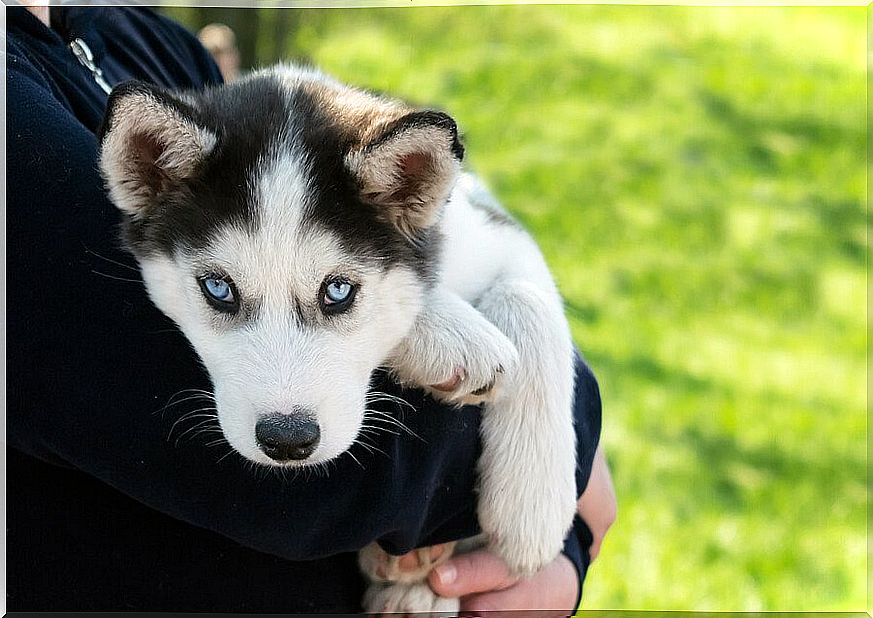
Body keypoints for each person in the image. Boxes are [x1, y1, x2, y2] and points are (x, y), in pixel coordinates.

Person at [7, 5, 615, 613]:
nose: (285, 407)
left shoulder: (138, 38)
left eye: (336, 294)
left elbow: (491, 248)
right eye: (221, 291)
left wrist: (543, 397)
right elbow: (318, 495)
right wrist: (574, 433)